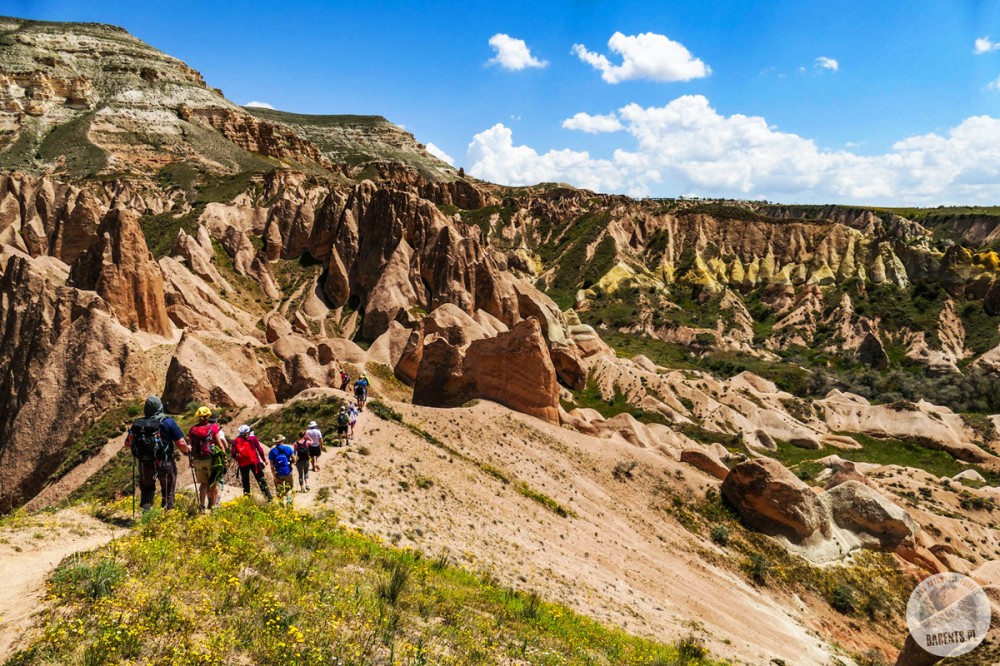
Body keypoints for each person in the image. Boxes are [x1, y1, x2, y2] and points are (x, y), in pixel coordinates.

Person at [124, 395, 189, 511]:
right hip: (164, 461)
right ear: (160, 407)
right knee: (168, 486)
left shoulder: (138, 424)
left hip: (145, 462)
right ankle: (167, 512)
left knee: (147, 486)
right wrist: (188, 449)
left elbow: (127, 443)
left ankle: (146, 511)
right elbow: (180, 443)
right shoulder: (168, 422)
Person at [188, 406, 229, 511]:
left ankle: (201, 505)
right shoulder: (213, 428)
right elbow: (220, 445)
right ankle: (214, 507)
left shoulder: (192, 430)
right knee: (213, 483)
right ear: (208, 416)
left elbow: (190, 447)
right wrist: (224, 459)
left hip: (198, 460)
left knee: (203, 484)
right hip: (210, 459)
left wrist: (191, 460)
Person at [231, 424, 273, 501]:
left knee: (245, 482)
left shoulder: (235, 441)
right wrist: (264, 459)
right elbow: (259, 449)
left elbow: (233, 454)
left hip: (243, 465)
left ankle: (247, 499)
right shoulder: (253, 438)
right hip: (255, 463)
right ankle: (268, 498)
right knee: (261, 480)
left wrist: (239, 459)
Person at [268, 435, 295, 506]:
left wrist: (275, 477)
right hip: (288, 471)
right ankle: (289, 503)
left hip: (278, 473)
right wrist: (289, 463)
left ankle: (281, 505)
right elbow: (294, 460)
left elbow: (271, 466)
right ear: (282, 441)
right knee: (289, 489)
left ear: (275, 442)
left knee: (279, 490)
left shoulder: (272, 452)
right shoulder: (288, 448)